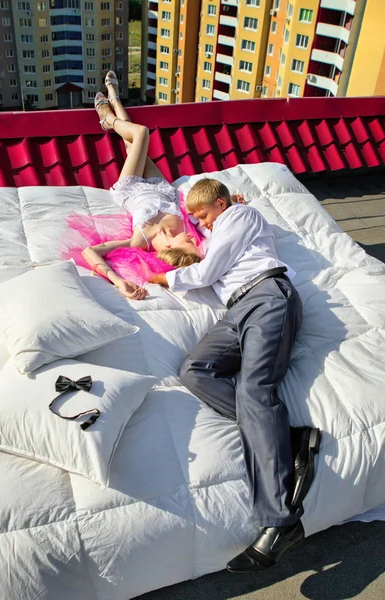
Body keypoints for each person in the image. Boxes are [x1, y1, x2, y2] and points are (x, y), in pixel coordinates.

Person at [149, 178, 321, 572]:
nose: (201, 224)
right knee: (194, 370)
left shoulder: (240, 215)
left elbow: (208, 270)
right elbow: (205, 264)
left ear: (222, 202)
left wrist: (162, 277)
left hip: (268, 297)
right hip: (238, 311)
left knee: (254, 387)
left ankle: (280, 521)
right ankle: (289, 438)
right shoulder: (217, 230)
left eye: (203, 215)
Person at [79, 71, 205, 300]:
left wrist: (118, 282)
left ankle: (107, 117)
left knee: (140, 134)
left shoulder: (141, 242)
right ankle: (115, 101)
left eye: (189, 244)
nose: (194, 240)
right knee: (133, 144)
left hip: (131, 187)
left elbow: (90, 251)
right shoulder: (188, 230)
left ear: (169, 249)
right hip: (161, 186)